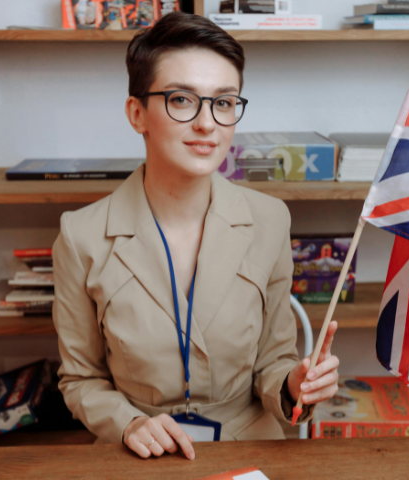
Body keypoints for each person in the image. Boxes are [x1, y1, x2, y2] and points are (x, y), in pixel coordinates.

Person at [52, 11, 339, 461]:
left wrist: (294, 384)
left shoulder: (270, 220)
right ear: (137, 113)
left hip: (249, 447)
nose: (208, 124)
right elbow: (80, 379)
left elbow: (273, 363)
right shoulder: (80, 236)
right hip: (139, 452)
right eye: (182, 100)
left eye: (224, 103)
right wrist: (128, 424)